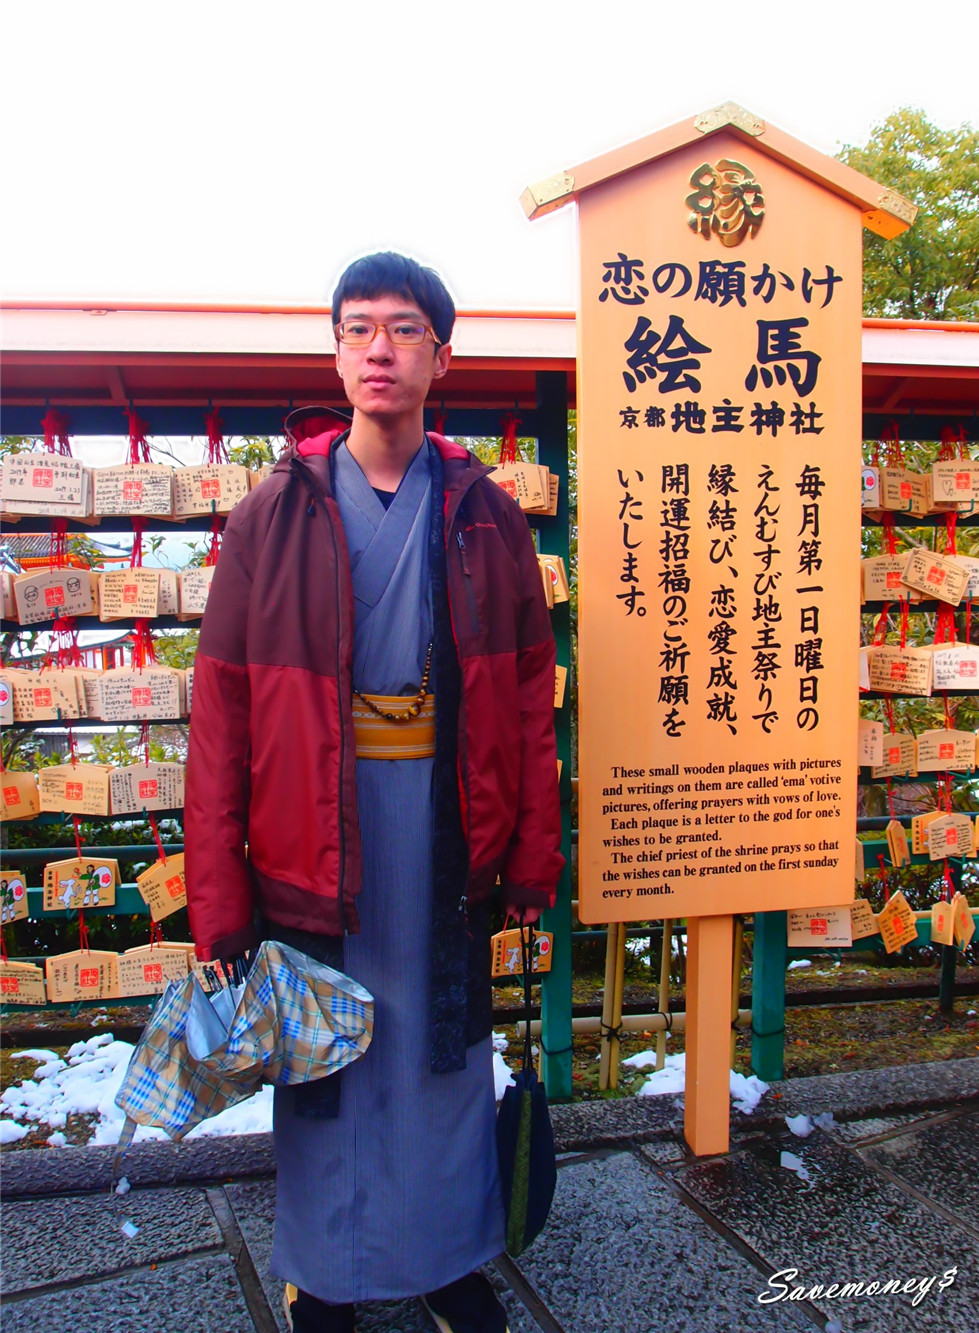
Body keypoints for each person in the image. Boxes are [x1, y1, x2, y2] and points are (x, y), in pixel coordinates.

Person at [184, 252, 563, 1333]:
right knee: (326, 1064)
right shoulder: (275, 516)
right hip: (315, 831)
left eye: (402, 330)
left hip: (442, 828)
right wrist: (218, 893)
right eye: (358, 330)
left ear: (441, 355)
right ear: (338, 355)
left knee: (441, 1055)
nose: (379, 349)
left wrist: (531, 850)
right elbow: (222, 714)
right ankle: (327, 1271)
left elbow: (527, 702)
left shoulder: (486, 516)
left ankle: (449, 1258)